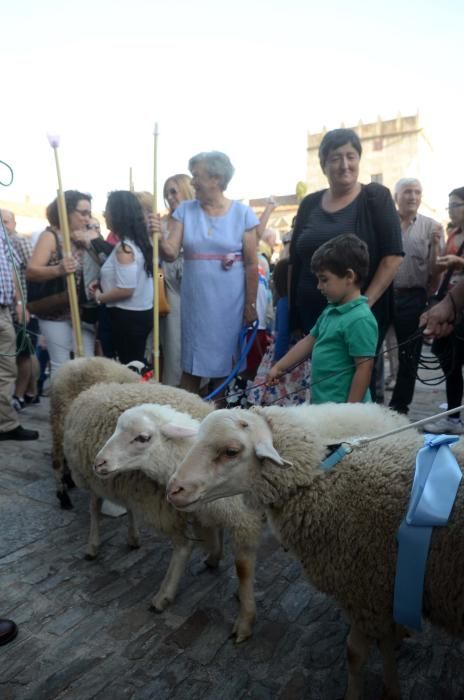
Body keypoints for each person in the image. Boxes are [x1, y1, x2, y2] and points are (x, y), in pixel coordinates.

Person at [289, 128, 403, 399]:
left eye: (350, 156)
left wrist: (362, 303)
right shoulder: (310, 203)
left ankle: (358, 433)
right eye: (335, 158)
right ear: (323, 164)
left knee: (359, 381)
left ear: (359, 159)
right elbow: (295, 259)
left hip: (356, 314)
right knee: (318, 383)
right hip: (312, 313)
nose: (344, 165)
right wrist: (291, 307)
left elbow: (393, 256)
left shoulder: (376, 197)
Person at [159, 151, 259, 395]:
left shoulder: (243, 214)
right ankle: (186, 419)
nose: (192, 182)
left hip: (230, 303)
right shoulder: (185, 211)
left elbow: (251, 264)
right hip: (196, 301)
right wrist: (157, 236)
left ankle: (219, 423)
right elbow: (170, 253)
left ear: (216, 179)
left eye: (196, 176)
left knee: (226, 368)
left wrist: (250, 304)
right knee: (191, 366)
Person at [267, 234, 378, 404]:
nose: (319, 287)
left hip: (343, 415)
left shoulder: (360, 319)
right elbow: (309, 341)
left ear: (349, 276)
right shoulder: (331, 310)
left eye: (324, 280)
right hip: (323, 407)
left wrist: (351, 412)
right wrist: (279, 367)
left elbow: (364, 368)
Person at [388, 178, 444, 415]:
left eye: (417, 192)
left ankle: (399, 407)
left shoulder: (432, 227)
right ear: (396, 196)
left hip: (413, 297)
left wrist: (436, 247)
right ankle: (371, 400)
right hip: (384, 295)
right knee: (370, 350)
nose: (412, 197)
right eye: (407, 192)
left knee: (409, 355)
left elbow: (436, 271)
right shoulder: (386, 224)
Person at [26, 191, 97, 373]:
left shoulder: (88, 236)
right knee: (61, 364)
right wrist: (58, 269)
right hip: (56, 312)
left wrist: (93, 241)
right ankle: (61, 401)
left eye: (89, 213)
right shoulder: (50, 237)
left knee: (87, 363)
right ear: (66, 212)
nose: (87, 218)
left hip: (83, 312)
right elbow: (32, 271)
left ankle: (84, 401)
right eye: (83, 213)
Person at [90, 191, 153, 365]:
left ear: (118, 213)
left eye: (107, 210)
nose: (104, 215)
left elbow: (126, 289)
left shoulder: (124, 248)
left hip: (128, 317)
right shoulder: (138, 243)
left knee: (131, 366)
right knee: (136, 364)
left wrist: (100, 297)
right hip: (137, 315)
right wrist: (103, 282)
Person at [144, 175, 195, 386]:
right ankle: (173, 390)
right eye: (167, 193)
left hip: (196, 285)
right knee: (172, 344)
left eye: (174, 191)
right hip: (170, 286)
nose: (170, 197)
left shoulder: (200, 218)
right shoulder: (161, 223)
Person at [422, 187, 464, 434]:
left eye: (456, 205)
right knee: (449, 359)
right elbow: (437, 269)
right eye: (449, 206)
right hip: (449, 309)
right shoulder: (452, 234)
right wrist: (436, 246)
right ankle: (453, 409)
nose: (451, 211)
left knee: (456, 359)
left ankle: (454, 414)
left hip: (459, 308)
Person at [0, 213, 38, 440]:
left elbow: (13, 268)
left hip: (3, 311)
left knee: (6, 370)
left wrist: (20, 303)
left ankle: (5, 425)